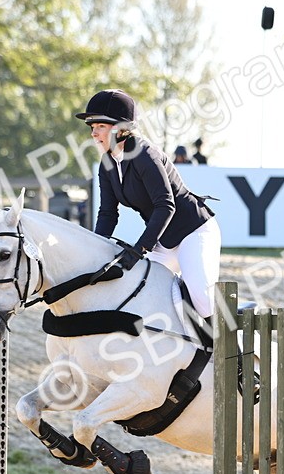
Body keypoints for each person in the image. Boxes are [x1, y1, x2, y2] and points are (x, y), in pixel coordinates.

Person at [76, 89, 220, 320]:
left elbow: (165, 205)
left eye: (99, 127)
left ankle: (235, 350)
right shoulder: (107, 164)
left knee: (202, 299)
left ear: (120, 128)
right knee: (141, 293)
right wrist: (94, 249)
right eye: (92, 128)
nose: (93, 134)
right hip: (163, 241)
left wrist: (139, 249)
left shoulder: (144, 154)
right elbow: (107, 214)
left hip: (194, 231)